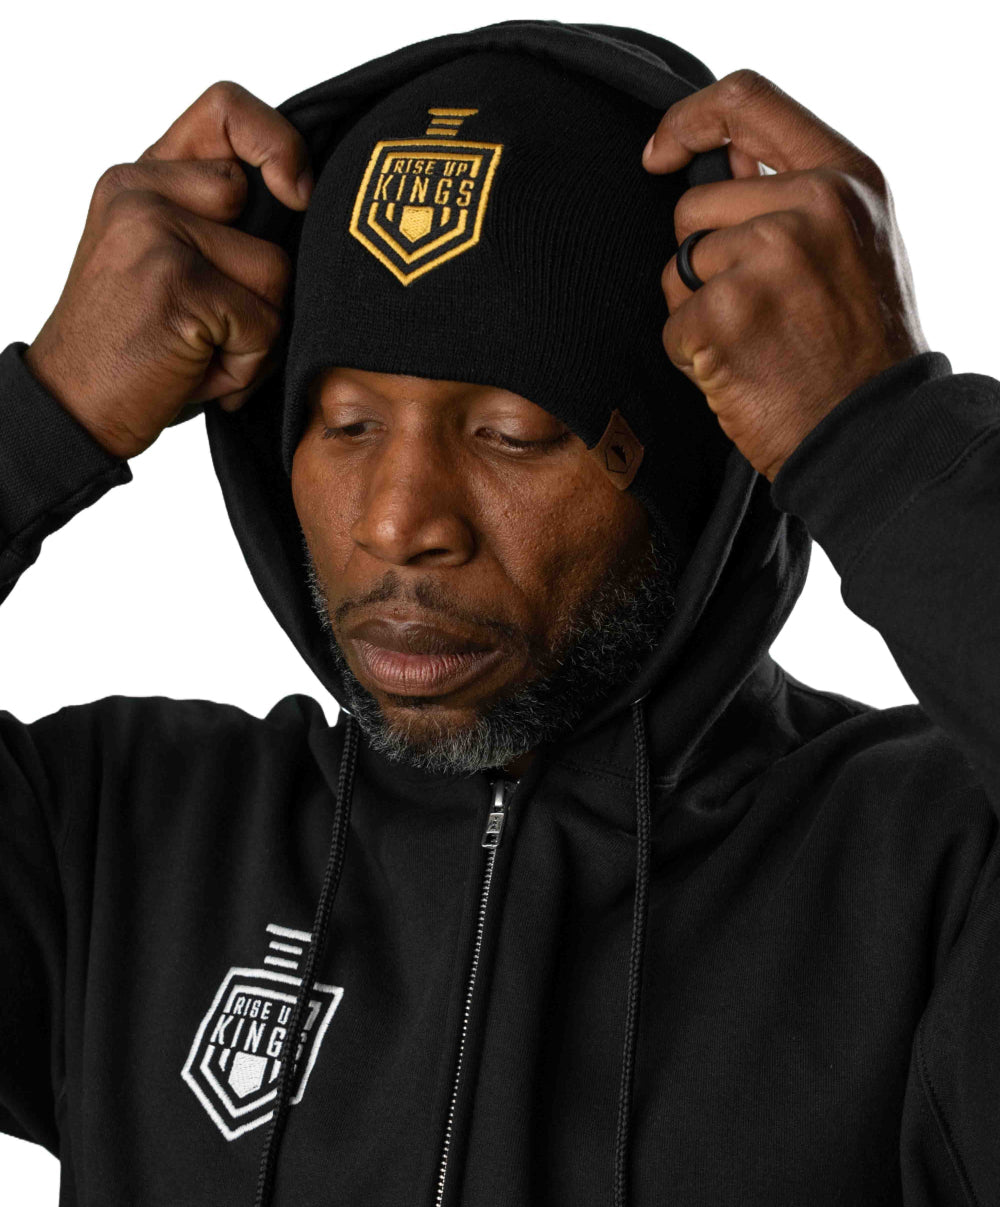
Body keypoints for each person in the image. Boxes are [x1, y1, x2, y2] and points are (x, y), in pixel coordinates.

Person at [2, 17, 999, 1207]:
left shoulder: (927, 869)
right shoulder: (118, 840)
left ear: (692, 472)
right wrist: (45, 410)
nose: (398, 520)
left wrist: (883, 442)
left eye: (512, 435)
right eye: (346, 425)